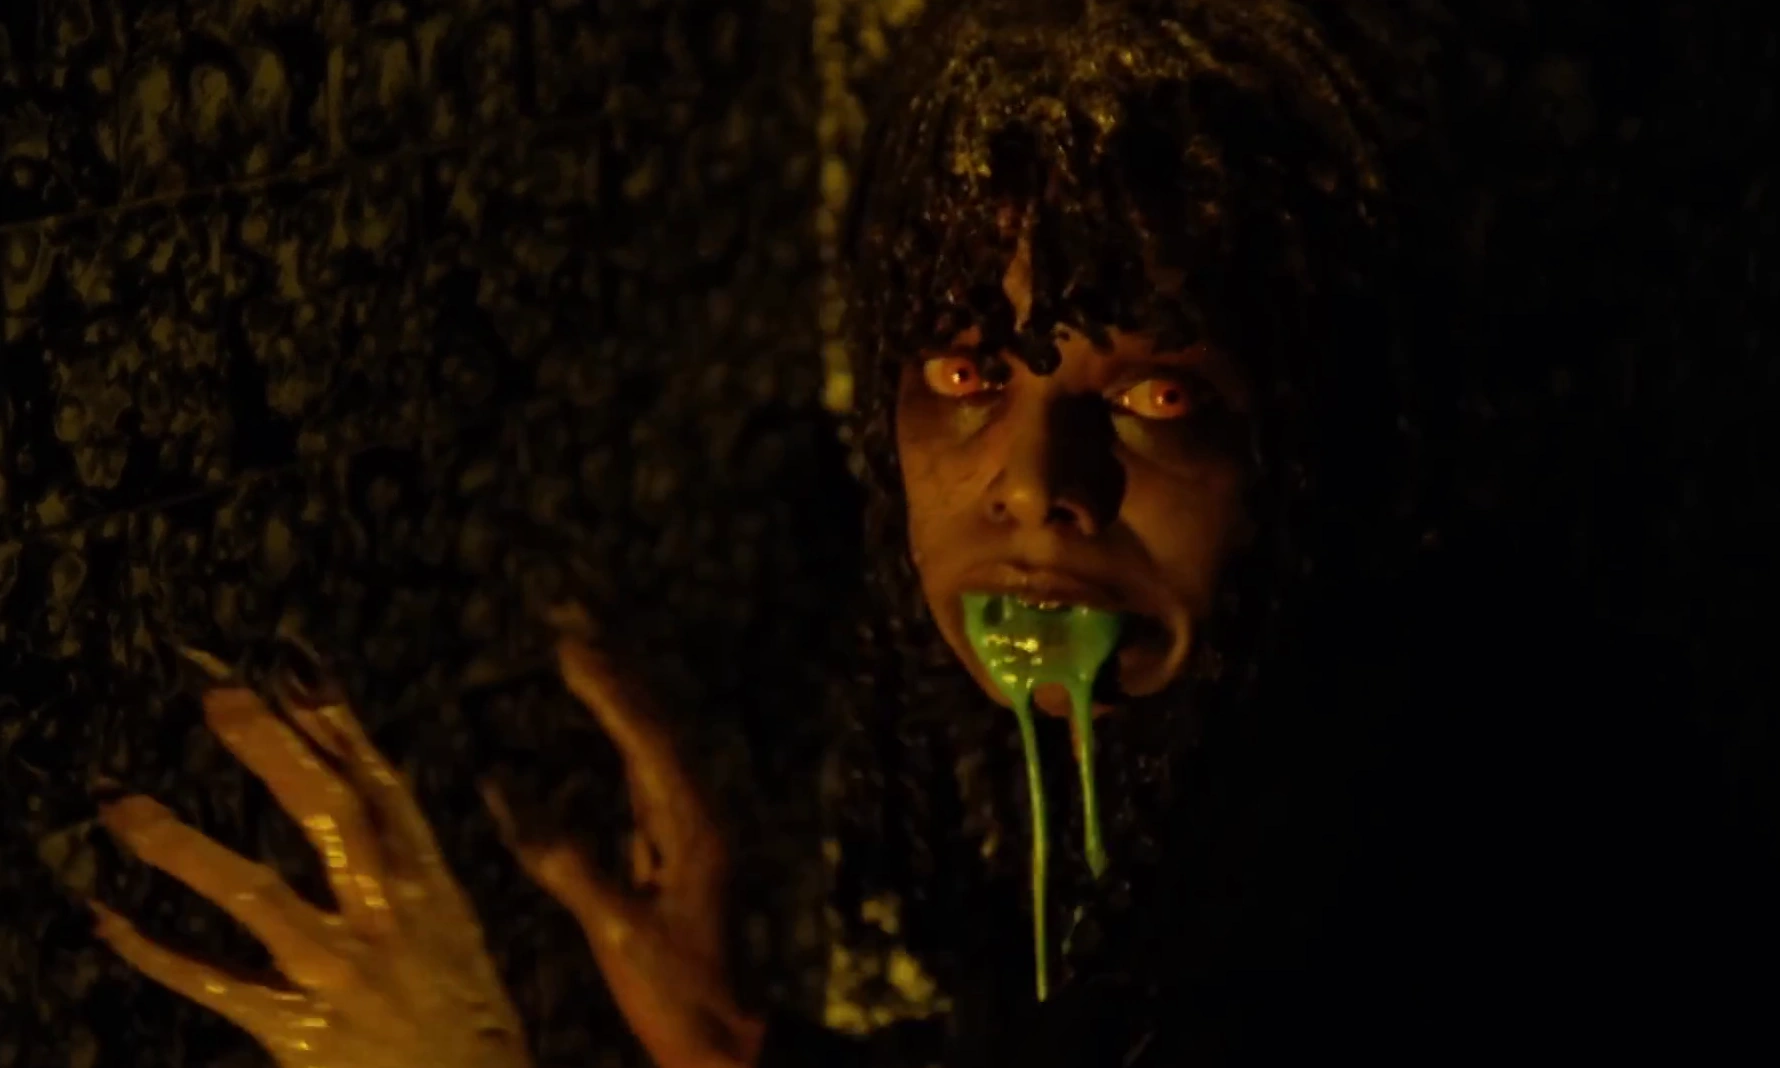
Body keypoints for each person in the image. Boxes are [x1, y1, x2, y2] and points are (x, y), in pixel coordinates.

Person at [90, 0, 1752, 1065]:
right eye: (965, 372)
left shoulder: (1485, 862)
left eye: (1157, 394)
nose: (1036, 484)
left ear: (1323, 434)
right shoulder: (1192, 800)